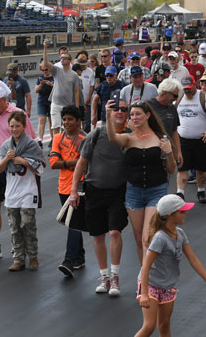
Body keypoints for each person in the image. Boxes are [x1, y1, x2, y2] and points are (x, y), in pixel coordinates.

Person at [70, 100, 131, 296]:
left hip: (118, 192)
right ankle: (104, 277)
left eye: (123, 109)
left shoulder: (130, 136)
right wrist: (73, 191)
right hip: (94, 190)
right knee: (98, 235)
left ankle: (115, 277)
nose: (119, 112)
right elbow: (81, 163)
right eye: (115, 109)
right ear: (109, 112)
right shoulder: (96, 134)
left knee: (114, 232)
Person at [135, 194, 206, 337]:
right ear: (170, 215)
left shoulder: (180, 234)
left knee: (165, 325)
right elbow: (146, 266)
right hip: (151, 285)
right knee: (149, 326)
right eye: (182, 212)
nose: (186, 214)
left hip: (168, 286)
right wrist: (144, 294)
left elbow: (193, 259)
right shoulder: (160, 238)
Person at [106, 100, 176, 266]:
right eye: (132, 115)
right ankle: (144, 279)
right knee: (139, 240)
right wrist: (108, 116)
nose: (134, 117)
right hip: (134, 192)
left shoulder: (160, 138)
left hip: (156, 191)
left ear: (148, 115)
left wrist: (169, 152)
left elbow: (171, 169)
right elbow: (112, 137)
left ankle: (147, 280)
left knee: (147, 238)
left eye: (138, 114)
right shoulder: (129, 139)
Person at [0, 86, 37, 262]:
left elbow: (32, 140)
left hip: (15, 166)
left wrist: (27, 162)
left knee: (19, 209)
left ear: (5, 99)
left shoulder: (18, 114)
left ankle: (24, 247)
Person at [0, 111, 45, 271]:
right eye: (12, 126)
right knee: (14, 226)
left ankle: (33, 255)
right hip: (11, 192)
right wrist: (7, 158)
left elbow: (40, 168)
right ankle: (18, 258)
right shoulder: (5, 146)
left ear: (24, 126)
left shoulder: (32, 145)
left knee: (28, 224)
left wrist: (24, 161)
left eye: (17, 126)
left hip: (28, 191)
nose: (14, 129)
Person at [49, 105, 87, 277]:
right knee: (73, 222)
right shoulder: (57, 138)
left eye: (70, 119)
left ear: (78, 121)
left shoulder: (85, 139)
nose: (66, 122)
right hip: (63, 186)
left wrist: (66, 162)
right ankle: (80, 257)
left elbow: (87, 163)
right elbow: (53, 163)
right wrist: (74, 163)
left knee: (73, 222)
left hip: (80, 187)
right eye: (64, 119)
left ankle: (69, 260)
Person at [175, 75, 206, 203]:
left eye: (189, 88)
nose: (187, 91)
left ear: (195, 85)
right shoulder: (179, 98)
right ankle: (180, 193)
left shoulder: (203, 97)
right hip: (183, 139)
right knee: (182, 167)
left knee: (201, 169)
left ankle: (201, 191)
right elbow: (173, 115)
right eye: (185, 89)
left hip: (201, 139)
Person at [43, 41, 81, 135]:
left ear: (69, 61)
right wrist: (45, 48)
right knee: (55, 127)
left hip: (67, 105)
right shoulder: (57, 70)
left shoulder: (74, 75)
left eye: (65, 58)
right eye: (61, 58)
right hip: (55, 104)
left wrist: (76, 106)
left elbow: (76, 91)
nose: (62, 59)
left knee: (66, 129)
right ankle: (55, 146)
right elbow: (46, 63)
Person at [146, 79, 183, 169]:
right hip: (149, 150)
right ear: (165, 93)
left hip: (167, 151)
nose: (176, 98)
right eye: (175, 95)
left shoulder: (172, 108)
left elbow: (174, 131)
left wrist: (178, 152)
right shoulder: (147, 105)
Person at [35, 62, 54, 146]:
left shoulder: (54, 77)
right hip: (42, 101)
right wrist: (41, 84)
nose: (44, 72)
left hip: (52, 101)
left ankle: (53, 138)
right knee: (41, 120)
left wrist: (51, 84)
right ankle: (40, 139)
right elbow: (36, 90)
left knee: (51, 121)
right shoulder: (40, 77)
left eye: (46, 70)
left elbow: (59, 87)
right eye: (42, 70)